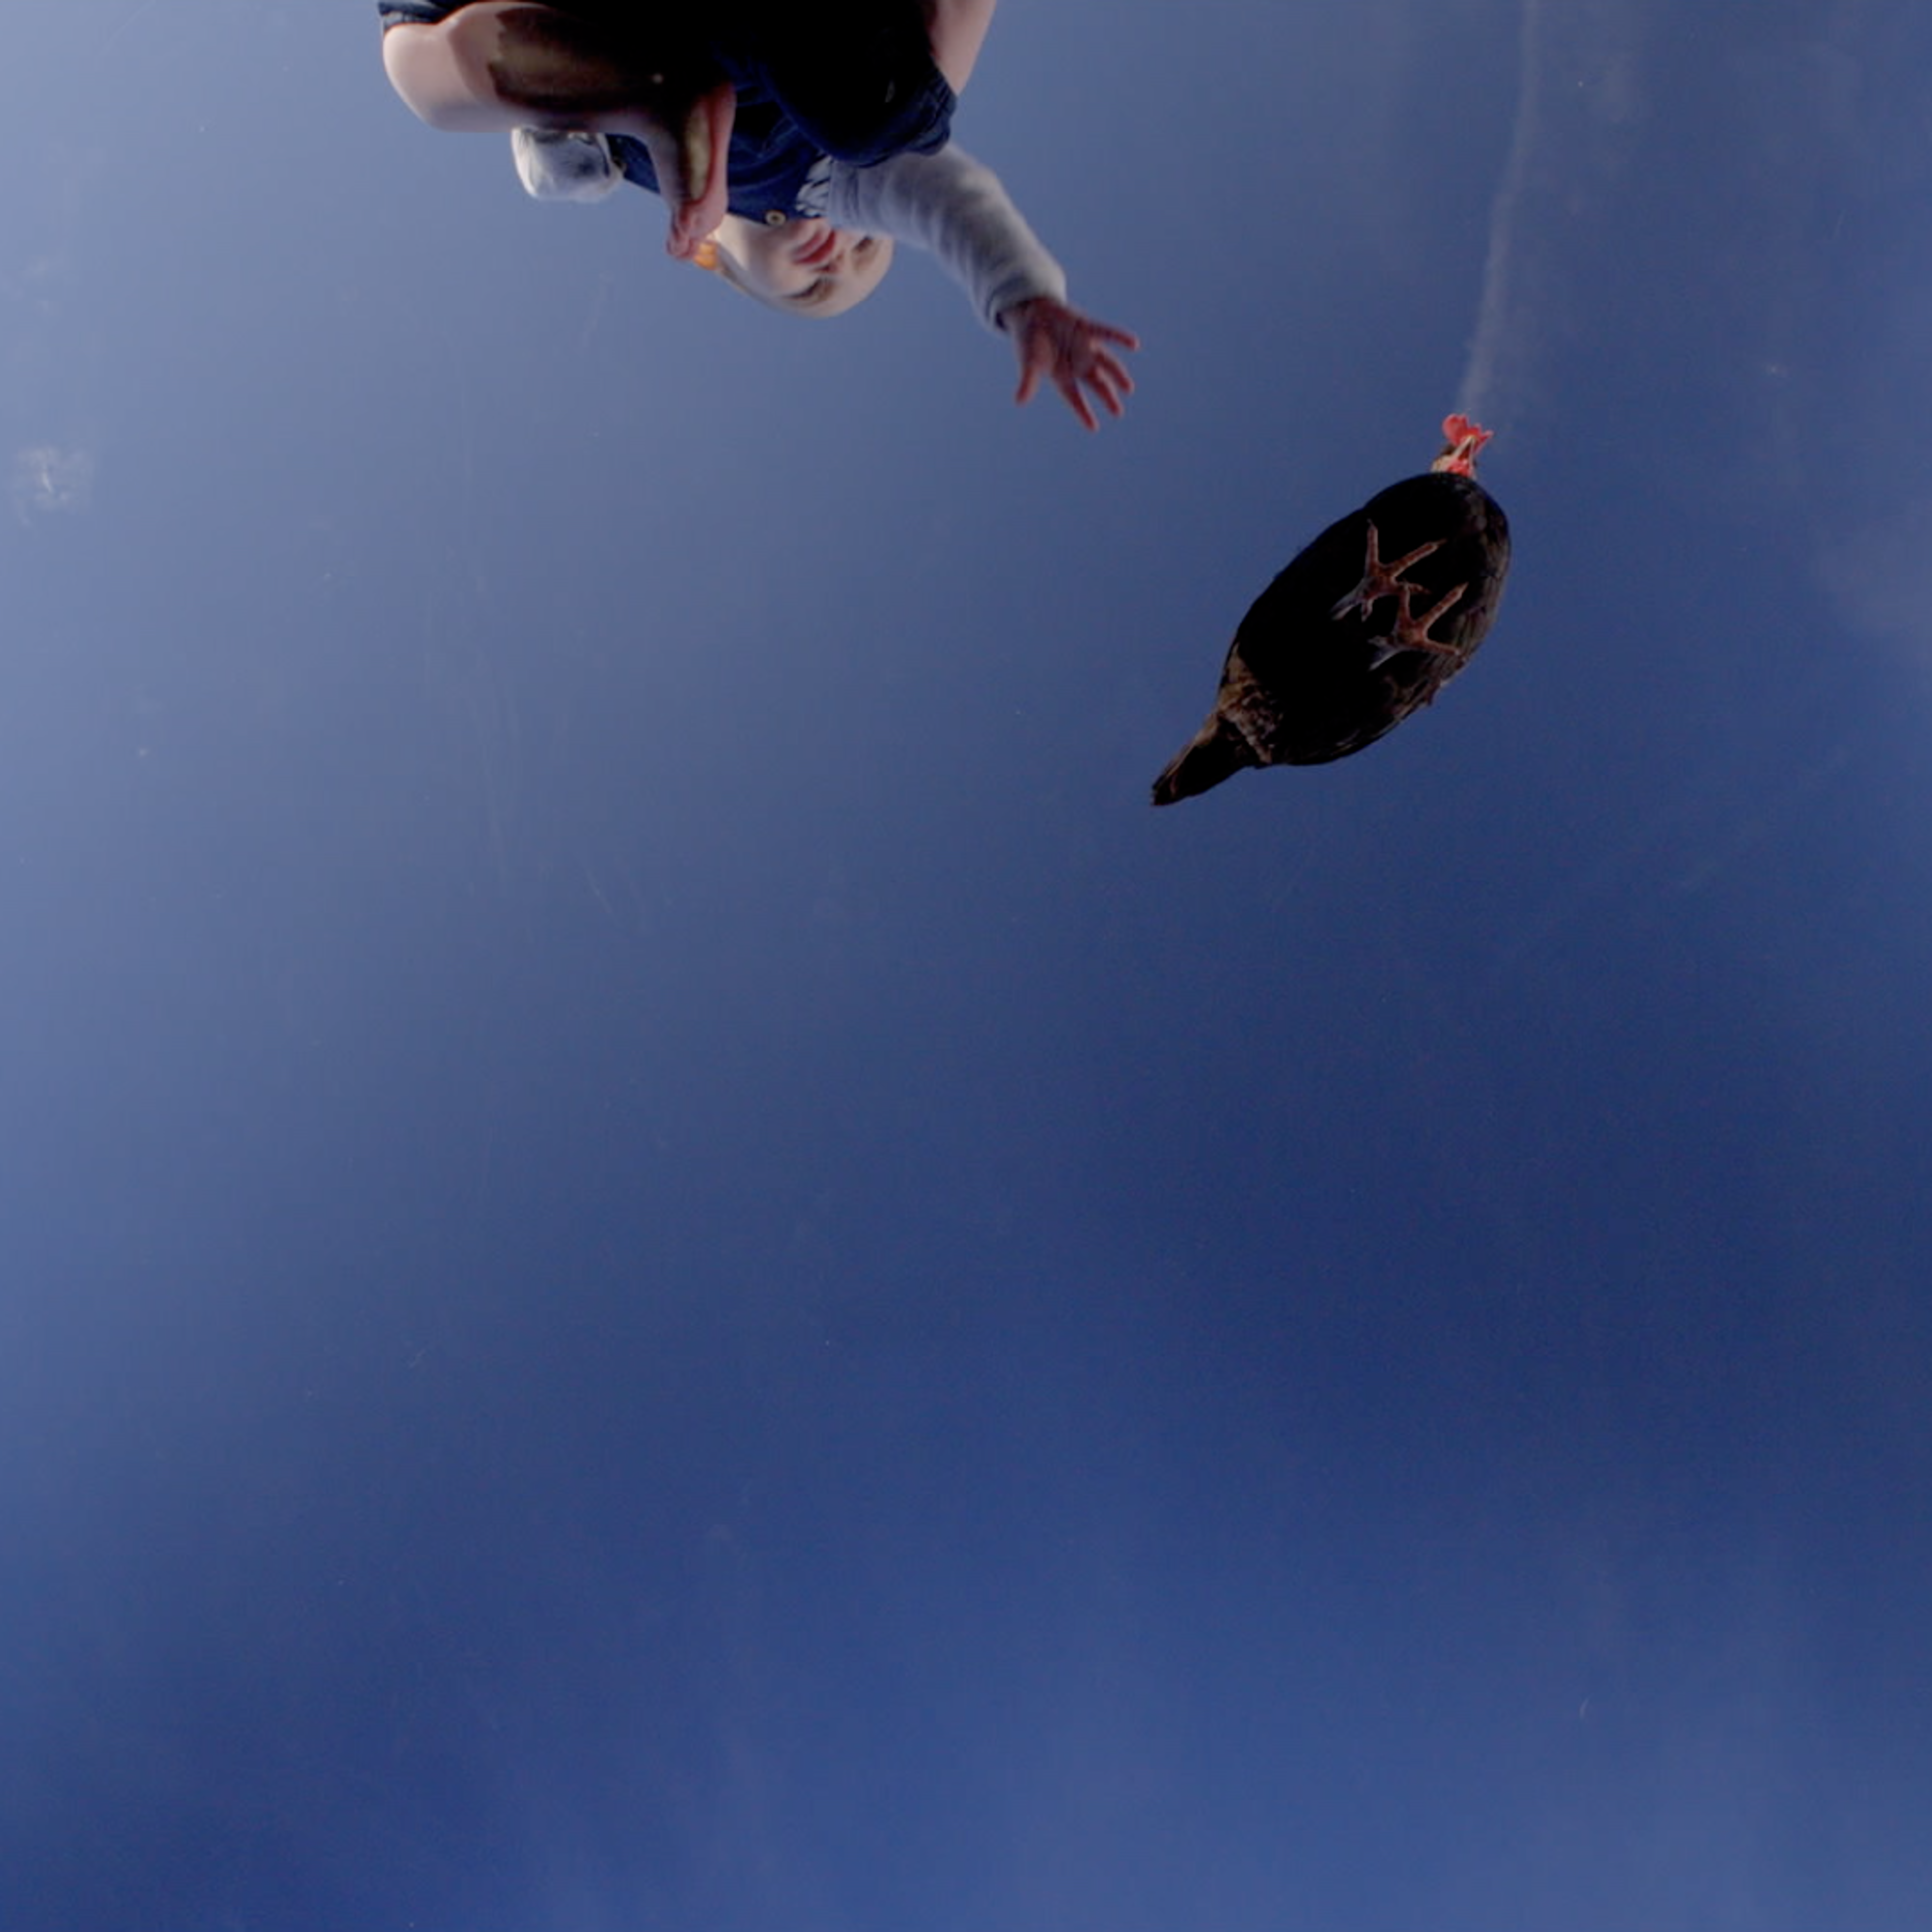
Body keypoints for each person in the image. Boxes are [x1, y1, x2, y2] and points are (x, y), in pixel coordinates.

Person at [380, 2, 1137, 428]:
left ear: (718, 257)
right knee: (888, 125)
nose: (836, 258)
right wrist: (1025, 297)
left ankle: (654, 97)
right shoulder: (828, 184)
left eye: (813, 288)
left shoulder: (621, 165)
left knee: (422, 81)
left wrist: (563, 136)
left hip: (618, 43)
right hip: (791, 31)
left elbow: (536, 138)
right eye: (869, 250)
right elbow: (950, 203)